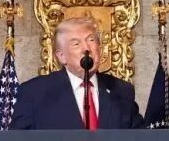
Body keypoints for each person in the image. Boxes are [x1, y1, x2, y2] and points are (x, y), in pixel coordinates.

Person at [10, 16, 144, 130]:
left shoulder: (122, 91)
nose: (86, 48)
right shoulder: (34, 93)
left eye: (91, 40)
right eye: (76, 44)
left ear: (100, 49)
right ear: (61, 56)